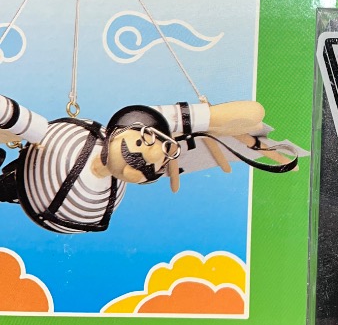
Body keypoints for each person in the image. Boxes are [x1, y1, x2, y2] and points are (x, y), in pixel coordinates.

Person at [0, 96, 301, 233]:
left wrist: (209, 120)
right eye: (145, 140)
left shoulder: (104, 197)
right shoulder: (61, 136)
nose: (148, 151)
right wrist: (205, 118)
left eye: (152, 160)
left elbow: (251, 113)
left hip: (40, 197)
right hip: (35, 181)